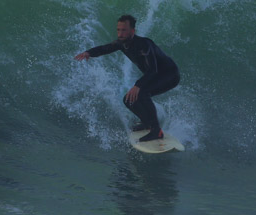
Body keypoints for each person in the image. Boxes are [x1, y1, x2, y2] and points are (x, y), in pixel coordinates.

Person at [74, 14, 180, 142]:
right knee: (128, 100)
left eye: (124, 30)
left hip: (170, 75)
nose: (120, 34)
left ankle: (156, 131)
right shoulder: (121, 43)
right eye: (118, 30)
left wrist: (138, 85)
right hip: (155, 76)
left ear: (132, 31)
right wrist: (88, 53)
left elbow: (153, 70)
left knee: (142, 94)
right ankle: (147, 123)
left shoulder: (144, 45)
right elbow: (104, 48)